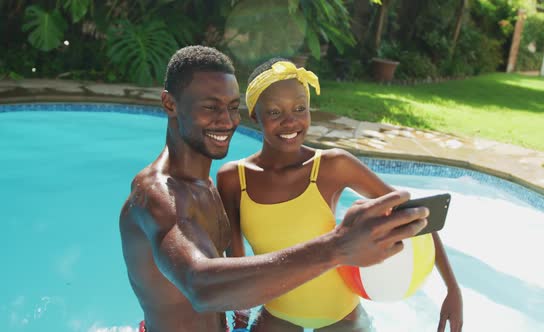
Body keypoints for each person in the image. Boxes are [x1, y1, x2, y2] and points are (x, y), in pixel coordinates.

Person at [119, 45, 430, 332]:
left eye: (231, 107)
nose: (226, 121)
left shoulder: (207, 185)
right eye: (210, 107)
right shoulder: (156, 196)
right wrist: (338, 246)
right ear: (170, 104)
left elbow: (229, 272)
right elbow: (201, 287)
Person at [216, 58, 463, 332]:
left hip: (341, 319)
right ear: (254, 115)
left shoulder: (333, 166)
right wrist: (238, 318)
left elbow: (419, 214)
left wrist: (453, 290)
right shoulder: (233, 179)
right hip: (276, 317)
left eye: (300, 108)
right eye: (275, 112)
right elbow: (236, 262)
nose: (290, 121)